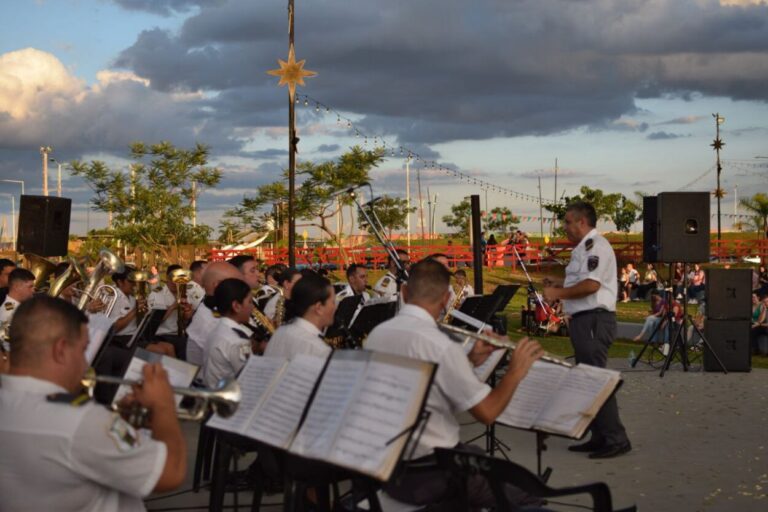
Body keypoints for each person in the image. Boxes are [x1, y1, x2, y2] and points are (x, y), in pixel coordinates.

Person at [365, 259, 543, 509]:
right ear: (448, 298)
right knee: (528, 493)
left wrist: (468, 359)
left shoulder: (377, 335)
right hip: (432, 471)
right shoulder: (440, 344)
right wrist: (515, 371)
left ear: (404, 292)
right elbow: (487, 413)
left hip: (391, 465)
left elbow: (426, 383)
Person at [0, 296, 186, 511]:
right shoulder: (80, 420)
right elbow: (170, 473)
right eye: (83, 350)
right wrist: (163, 405)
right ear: (61, 350)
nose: (85, 362)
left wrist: (119, 421)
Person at [543, 201, 631, 459]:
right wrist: (559, 282)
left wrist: (557, 293)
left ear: (582, 222)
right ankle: (600, 435)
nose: (565, 227)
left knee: (596, 380)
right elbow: (583, 281)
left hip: (594, 319)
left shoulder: (597, 246)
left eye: (568, 222)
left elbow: (592, 286)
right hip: (584, 319)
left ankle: (617, 438)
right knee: (588, 380)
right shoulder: (583, 249)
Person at [264, 272, 336, 359]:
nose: (335, 307)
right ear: (319, 308)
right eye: (332, 302)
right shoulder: (319, 349)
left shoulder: (280, 332)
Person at [186, 261, 243, 366]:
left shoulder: (216, 308)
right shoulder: (211, 320)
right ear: (217, 286)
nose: (241, 289)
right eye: (236, 285)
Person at [202, 278, 254, 387]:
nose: (252, 307)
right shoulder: (237, 340)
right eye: (249, 302)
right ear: (236, 306)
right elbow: (249, 379)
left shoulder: (218, 329)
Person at [147, 265, 193, 359]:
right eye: (172, 279)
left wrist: (187, 314)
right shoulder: (157, 294)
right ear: (167, 278)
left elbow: (184, 322)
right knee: (185, 345)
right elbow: (154, 321)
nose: (175, 282)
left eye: (179, 279)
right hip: (162, 335)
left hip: (179, 334)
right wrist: (173, 306)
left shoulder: (184, 294)